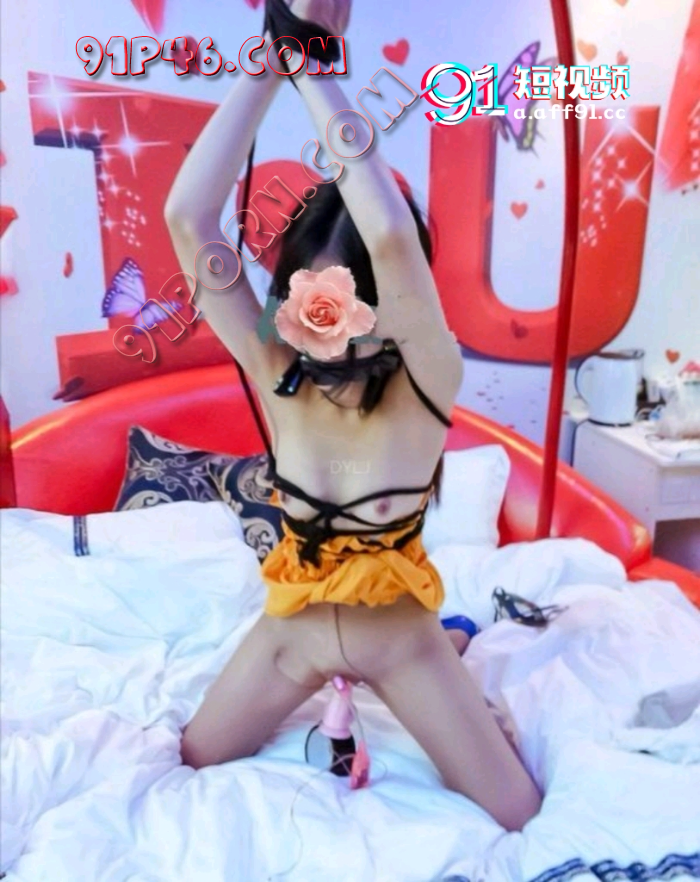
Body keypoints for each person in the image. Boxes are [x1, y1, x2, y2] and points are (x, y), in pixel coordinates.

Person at [164, 0, 542, 832]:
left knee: (519, 814)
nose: (323, 315)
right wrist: (271, 56)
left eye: (348, 296)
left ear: (392, 304)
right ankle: (456, 638)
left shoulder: (430, 375)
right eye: (303, 290)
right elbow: (187, 220)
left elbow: (393, 240)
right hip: (293, 628)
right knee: (189, 759)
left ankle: (451, 639)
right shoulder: (276, 368)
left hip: (399, 640)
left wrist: (315, 67)